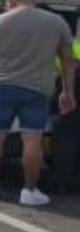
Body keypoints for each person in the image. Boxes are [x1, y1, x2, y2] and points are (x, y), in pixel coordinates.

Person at [0, 0, 76, 205]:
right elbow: (68, 60)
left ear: (11, 1)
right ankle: (29, 191)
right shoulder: (57, 22)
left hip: (1, 87)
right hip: (38, 90)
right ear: (32, 0)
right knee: (32, 139)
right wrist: (67, 91)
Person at [49, 34, 80, 193]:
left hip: (71, 87)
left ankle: (62, 181)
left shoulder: (59, 48)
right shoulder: (74, 45)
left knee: (67, 136)